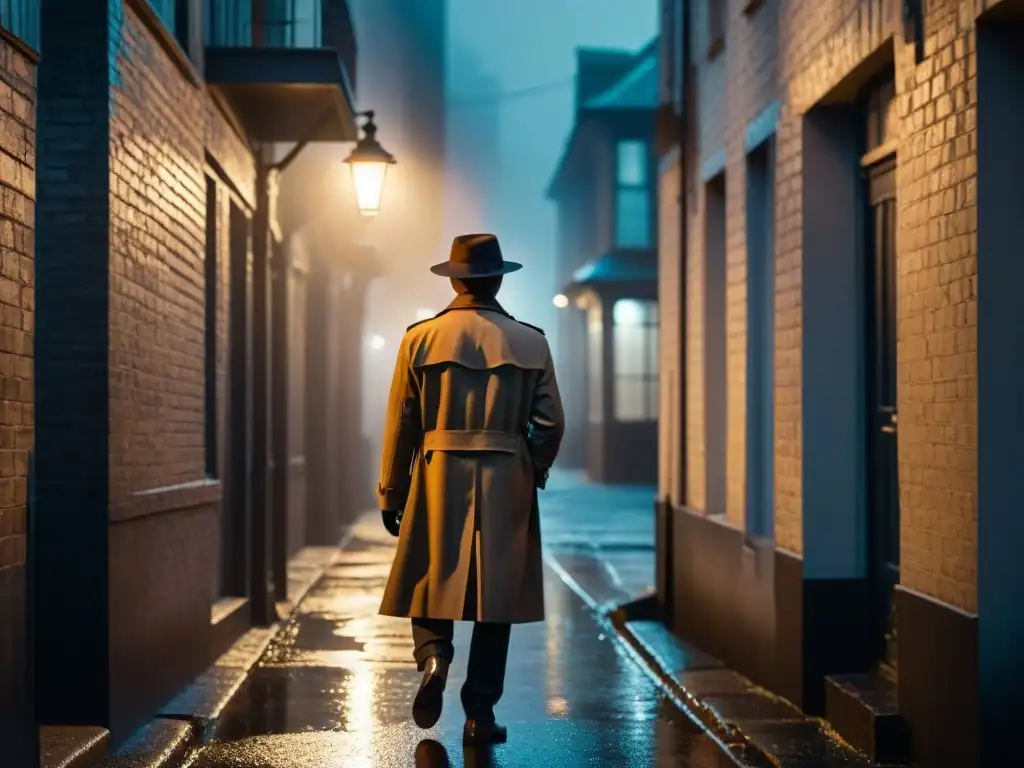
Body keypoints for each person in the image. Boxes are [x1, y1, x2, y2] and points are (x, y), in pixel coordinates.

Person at [376, 233, 565, 746]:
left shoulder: (419, 339)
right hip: (507, 474)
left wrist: (392, 492)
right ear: (499, 279)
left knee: (430, 569)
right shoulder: (532, 341)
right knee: (494, 596)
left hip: (438, 469)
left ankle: (434, 655)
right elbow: (549, 423)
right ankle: (480, 712)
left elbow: (402, 424)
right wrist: (532, 469)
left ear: (455, 280)